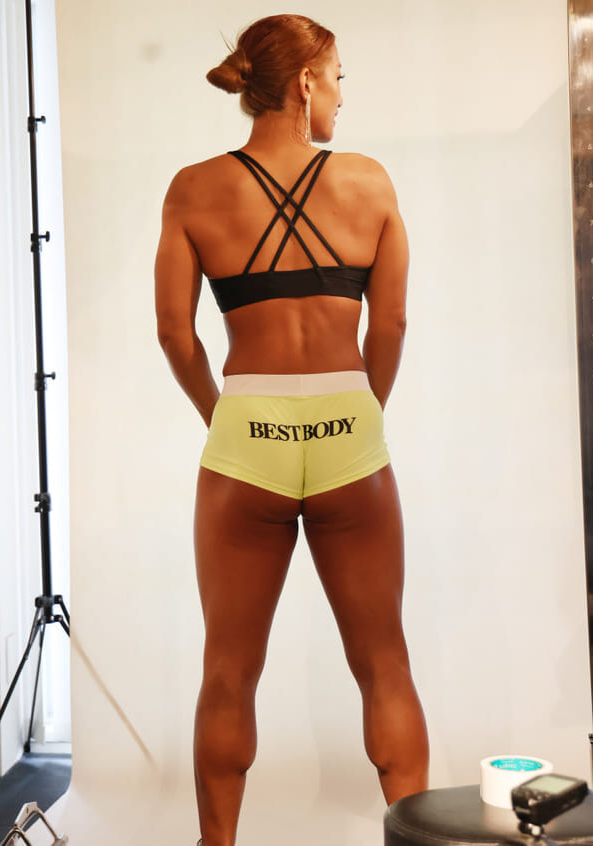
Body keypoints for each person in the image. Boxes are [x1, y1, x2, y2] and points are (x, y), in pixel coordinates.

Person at [154, 14, 429, 846]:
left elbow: (174, 334)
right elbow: (392, 326)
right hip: (349, 425)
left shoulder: (193, 188)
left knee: (228, 671)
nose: (342, 96)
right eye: (339, 77)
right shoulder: (370, 182)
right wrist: (364, 410)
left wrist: (223, 415)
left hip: (247, 430)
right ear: (306, 81)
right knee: (385, 664)